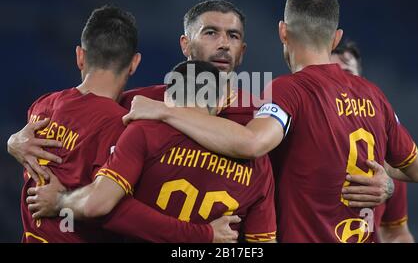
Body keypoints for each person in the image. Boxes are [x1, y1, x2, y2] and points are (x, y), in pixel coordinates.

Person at [123, 0, 418, 243]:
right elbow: (103, 198)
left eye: (232, 36)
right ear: (185, 44)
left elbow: (255, 144)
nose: (223, 44)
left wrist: (387, 185)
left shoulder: (266, 108)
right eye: (211, 33)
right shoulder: (135, 102)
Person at [14, 5, 236, 243]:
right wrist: (205, 234)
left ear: (80, 56)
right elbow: (119, 213)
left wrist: (12, 142)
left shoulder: (40, 107)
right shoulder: (121, 127)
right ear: (134, 64)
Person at [27, 60, 277, 243]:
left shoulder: (143, 132)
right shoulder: (258, 162)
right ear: (222, 102)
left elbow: (100, 206)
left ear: (168, 97)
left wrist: (60, 201)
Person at [332, 41, 415, 243]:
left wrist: (390, 185)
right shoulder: (288, 139)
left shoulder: (386, 157)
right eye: (333, 76)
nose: (342, 86)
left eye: (348, 74)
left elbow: (396, 232)